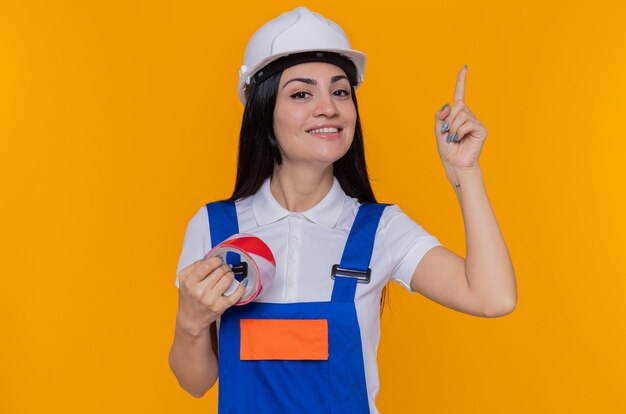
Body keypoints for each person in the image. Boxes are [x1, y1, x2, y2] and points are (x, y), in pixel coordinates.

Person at [168, 6, 517, 414]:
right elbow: (196, 383)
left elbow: (493, 297)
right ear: (264, 116)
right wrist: (190, 320)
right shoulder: (215, 227)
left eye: (340, 91)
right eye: (302, 93)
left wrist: (466, 171)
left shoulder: (379, 229)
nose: (328, 107)